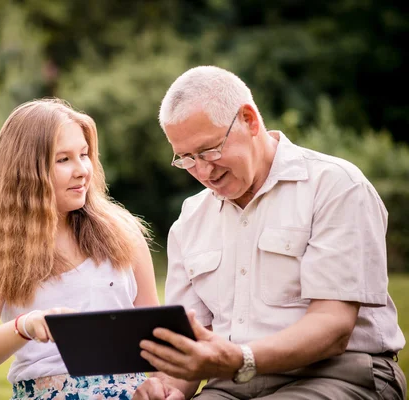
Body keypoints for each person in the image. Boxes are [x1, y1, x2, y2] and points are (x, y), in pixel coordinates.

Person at [133, 66, 407, 400]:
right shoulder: (190, 219)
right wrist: (167, 388)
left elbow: (333, 327)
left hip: (342, 375)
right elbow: (191, 340)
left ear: (249, 120)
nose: (203, 171)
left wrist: (239, 359)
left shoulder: (335, 186)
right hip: (231, 386)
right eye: (186, 158)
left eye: (209, 151)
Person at [0, 98, 160, 399]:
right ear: (25, 171)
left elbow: (158, 336)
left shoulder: (123, 231)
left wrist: (160, 383)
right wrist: (25, 326)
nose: (82, 171)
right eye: (63, 160)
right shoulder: (1, 249)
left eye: (84, 155)